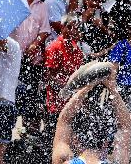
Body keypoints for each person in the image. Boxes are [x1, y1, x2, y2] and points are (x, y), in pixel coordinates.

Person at [52, 62, 131, 164]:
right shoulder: (118, 161)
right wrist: (112, 89)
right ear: (105, 144)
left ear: (76, 140)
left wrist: (87, 87)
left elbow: (64, 121)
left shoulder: (64, 160)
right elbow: (125, 126)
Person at [10, 0, 51, 138]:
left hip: (33, 60)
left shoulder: (42, 6)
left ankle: (28, 134)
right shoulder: (15, 2)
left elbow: (45, 30)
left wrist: (35, 43)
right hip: (14, 57)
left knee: (31, 95)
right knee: (12, 94)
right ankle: (9, 130)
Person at [43, 14, 84, 162]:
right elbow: (48, 76)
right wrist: (68, 88)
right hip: (56, 105)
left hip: (71, 105)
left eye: (76, 27)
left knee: (68, 145)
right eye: (70, 27)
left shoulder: (76, 49)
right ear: (63, 27)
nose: (73, 30)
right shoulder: (55, 47)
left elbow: (79, 75)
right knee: (53, 144)